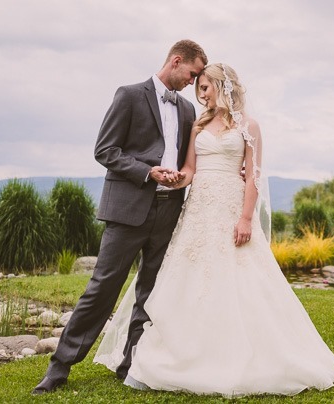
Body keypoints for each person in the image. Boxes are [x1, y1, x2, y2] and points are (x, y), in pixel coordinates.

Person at [94, 63, 334, 396]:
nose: (201, 94)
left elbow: (253, 177)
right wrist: (177, 180)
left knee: (241, 277)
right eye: (198, 88)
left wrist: (246, 218)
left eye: (205, 87)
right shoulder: (197, 125)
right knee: (189, 277)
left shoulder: (250, 126)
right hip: (199, 208)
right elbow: (190, 169)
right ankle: (179, 354)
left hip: (232, 207)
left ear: (223, 85)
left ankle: (253, 354)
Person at [32, 40, 207, 395]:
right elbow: (105, 150)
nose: (193, 82)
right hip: (128, 209)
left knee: (151, 292)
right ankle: (59, 366)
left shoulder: (188, 109)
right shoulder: (129, 95)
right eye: (191, 74)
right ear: (176, 61)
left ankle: (132, 362)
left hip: (170, 209)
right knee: (103, 287)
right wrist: (148, 172)